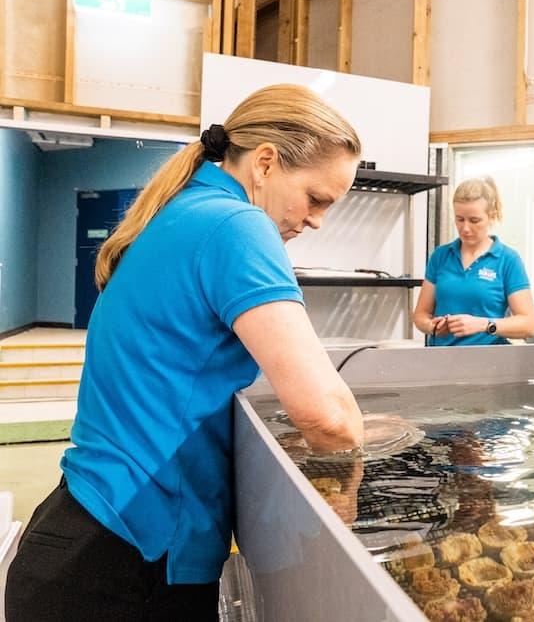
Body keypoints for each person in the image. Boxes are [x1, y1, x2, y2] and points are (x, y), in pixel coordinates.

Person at [6, 84, 366, 621]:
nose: (317, 221)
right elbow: (328, 416)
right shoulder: (238, 226)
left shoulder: (180, 210)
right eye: (316, 199)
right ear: (265, 163)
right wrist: (352, 481)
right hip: (127, 560)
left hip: (79, 535)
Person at [413, 177, 534, 345]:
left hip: (488, 364)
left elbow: (528, 325)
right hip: (442, 362)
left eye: (474, 220)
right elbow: (421, 314)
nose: (465, 228)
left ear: (491, 216)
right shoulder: (440, 256)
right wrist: (431, 326)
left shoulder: (508, 260)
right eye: (460, 219)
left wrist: (485, 325)